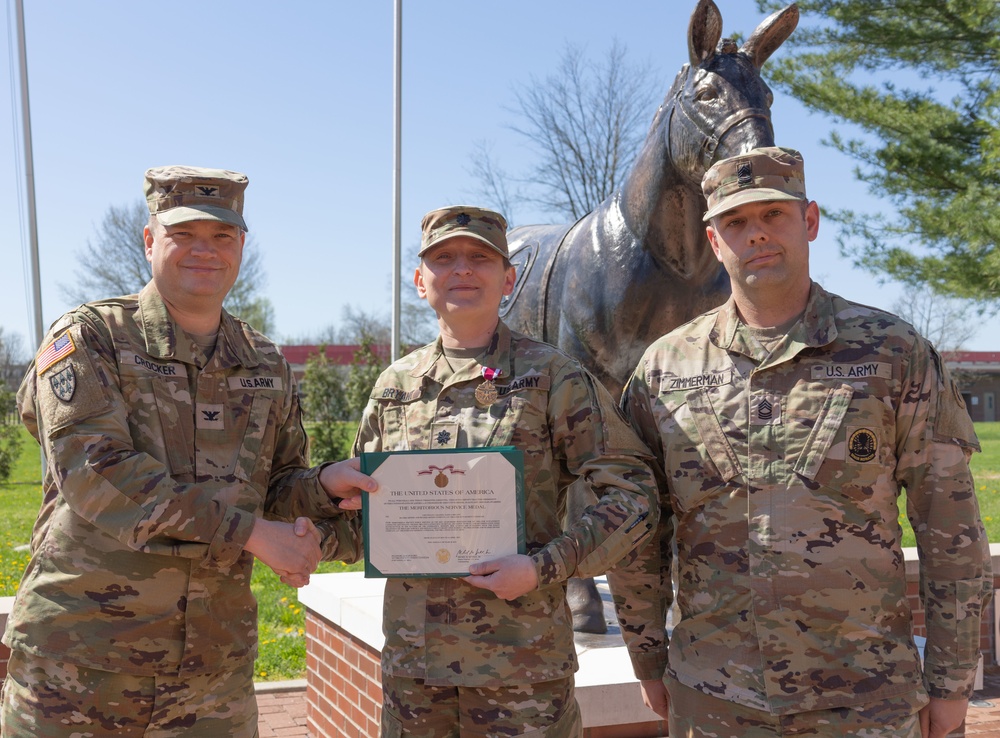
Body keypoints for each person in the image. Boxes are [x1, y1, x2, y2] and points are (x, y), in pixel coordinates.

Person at [608, 146, 993, 738]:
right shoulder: (664, 370)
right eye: (735, 222)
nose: (755, 235)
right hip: (716, 697)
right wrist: (646, 655)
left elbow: (952, 529)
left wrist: (950, 681)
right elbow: (639, 533)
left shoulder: (893, 352)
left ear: (809, 221)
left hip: (866, 699)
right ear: (715, 242)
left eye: (773, 215)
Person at [1, 166, 375, 737]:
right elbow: (97, 474)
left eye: (222, 236)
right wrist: (250, 534)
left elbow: (274, 487)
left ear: (241, 246)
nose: (206, 251)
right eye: (184, 234)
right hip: (81, 667)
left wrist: (323, 485)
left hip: (212, 677)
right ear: (151, 240)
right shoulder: (91, 337)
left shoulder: (265, 362)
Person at [347, 205, 658, 737]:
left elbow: (633, 496)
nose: (462, 269)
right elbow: (364, 518)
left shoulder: (554, 377)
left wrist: (545, 567)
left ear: (508, 278)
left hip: (523, 674)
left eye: (480, 257)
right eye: (444, 258)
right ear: (420, 281)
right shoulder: (394, 387)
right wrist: (319, 515)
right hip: (415, 678)